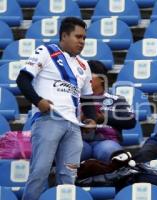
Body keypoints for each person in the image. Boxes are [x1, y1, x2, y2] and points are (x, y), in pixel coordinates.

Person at [16, 17, 96, 200]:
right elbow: (22, 79)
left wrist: (91, 117)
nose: (82, 42)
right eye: (78, 37)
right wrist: (38, 101)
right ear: (64, 35)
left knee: (68, 176)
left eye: (84, 38)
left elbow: (87, 98)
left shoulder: (84, 65)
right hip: (48, 119)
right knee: (40, 171)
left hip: (73, 127)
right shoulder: (46, 51)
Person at [81, 60, 136, 163]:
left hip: (107, 140)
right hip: (81, 140)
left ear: (102, 79)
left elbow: (131, 122)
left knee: (108, 151)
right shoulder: (75, 99)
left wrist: (104, 119)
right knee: (71, 151)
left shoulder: (117, 99)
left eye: (89, 76)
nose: (84, 79)